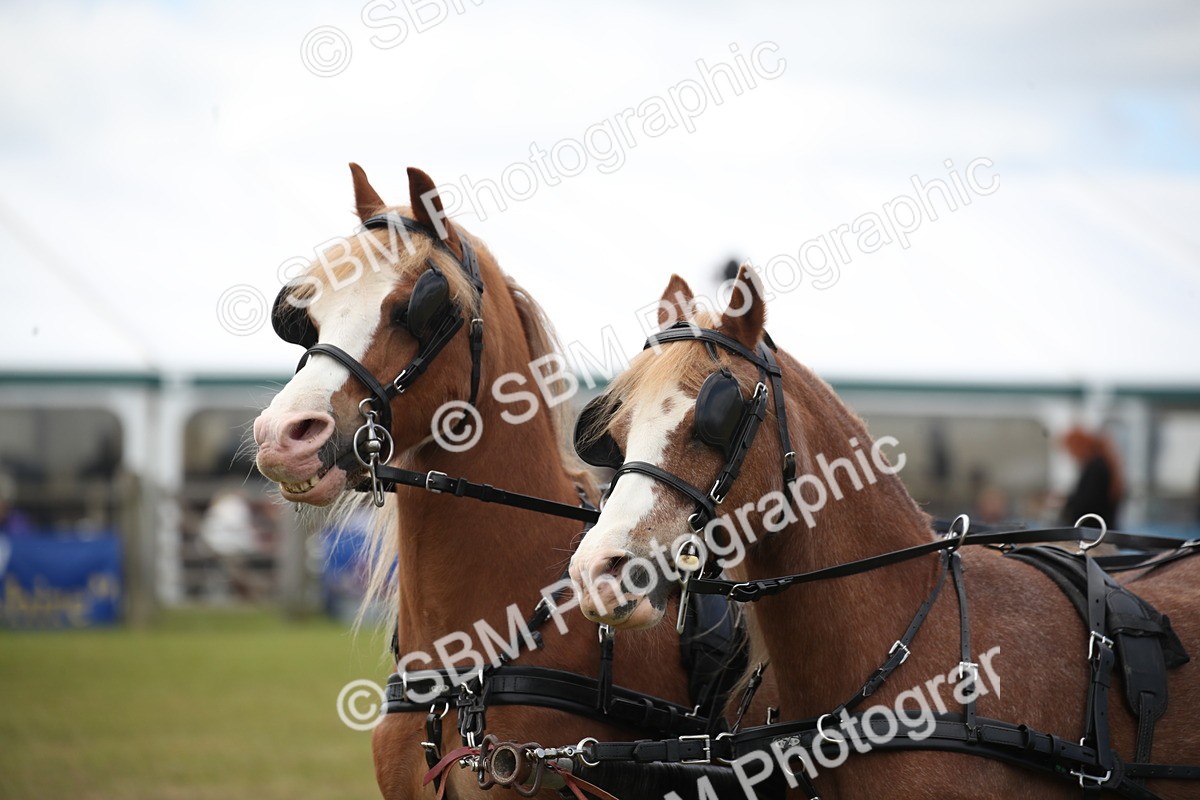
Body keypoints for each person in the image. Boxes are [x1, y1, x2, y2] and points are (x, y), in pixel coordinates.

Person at [1059, 426, 1123, 528]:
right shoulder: (1100, 464)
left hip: (1092, 531)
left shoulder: (1095, 468)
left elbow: (1087, 502)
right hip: (1099, 529)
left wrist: (1066, 504)